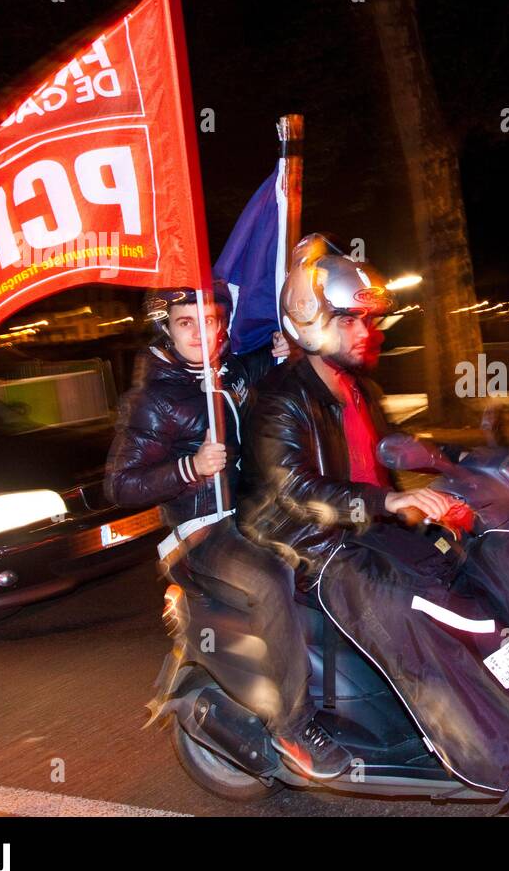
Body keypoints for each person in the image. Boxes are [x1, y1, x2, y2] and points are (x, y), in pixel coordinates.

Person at [105, 283, 352, 779]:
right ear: (166, 329)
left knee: (340, 540)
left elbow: (264, 370)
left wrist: (284, 350)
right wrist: (188, 468)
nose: (202, 332)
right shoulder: (154, 399)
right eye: (186, 323)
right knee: (271, 578)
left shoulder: (228, 372)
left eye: (212, 321)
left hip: (249, 515)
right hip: (200, 532)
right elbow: (119, 485)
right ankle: (292, 725)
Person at [238, 234, 457, 579]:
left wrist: (461, 460)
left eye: (366, 320)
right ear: (310, 321)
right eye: (348, 321)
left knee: (459, 561)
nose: (364, 333)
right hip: (312, 545)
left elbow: (392, 448)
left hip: (368, 529)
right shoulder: (279, 399)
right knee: (421, 604)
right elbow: (295, 490)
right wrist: (385, 502)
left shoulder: (361, 388)